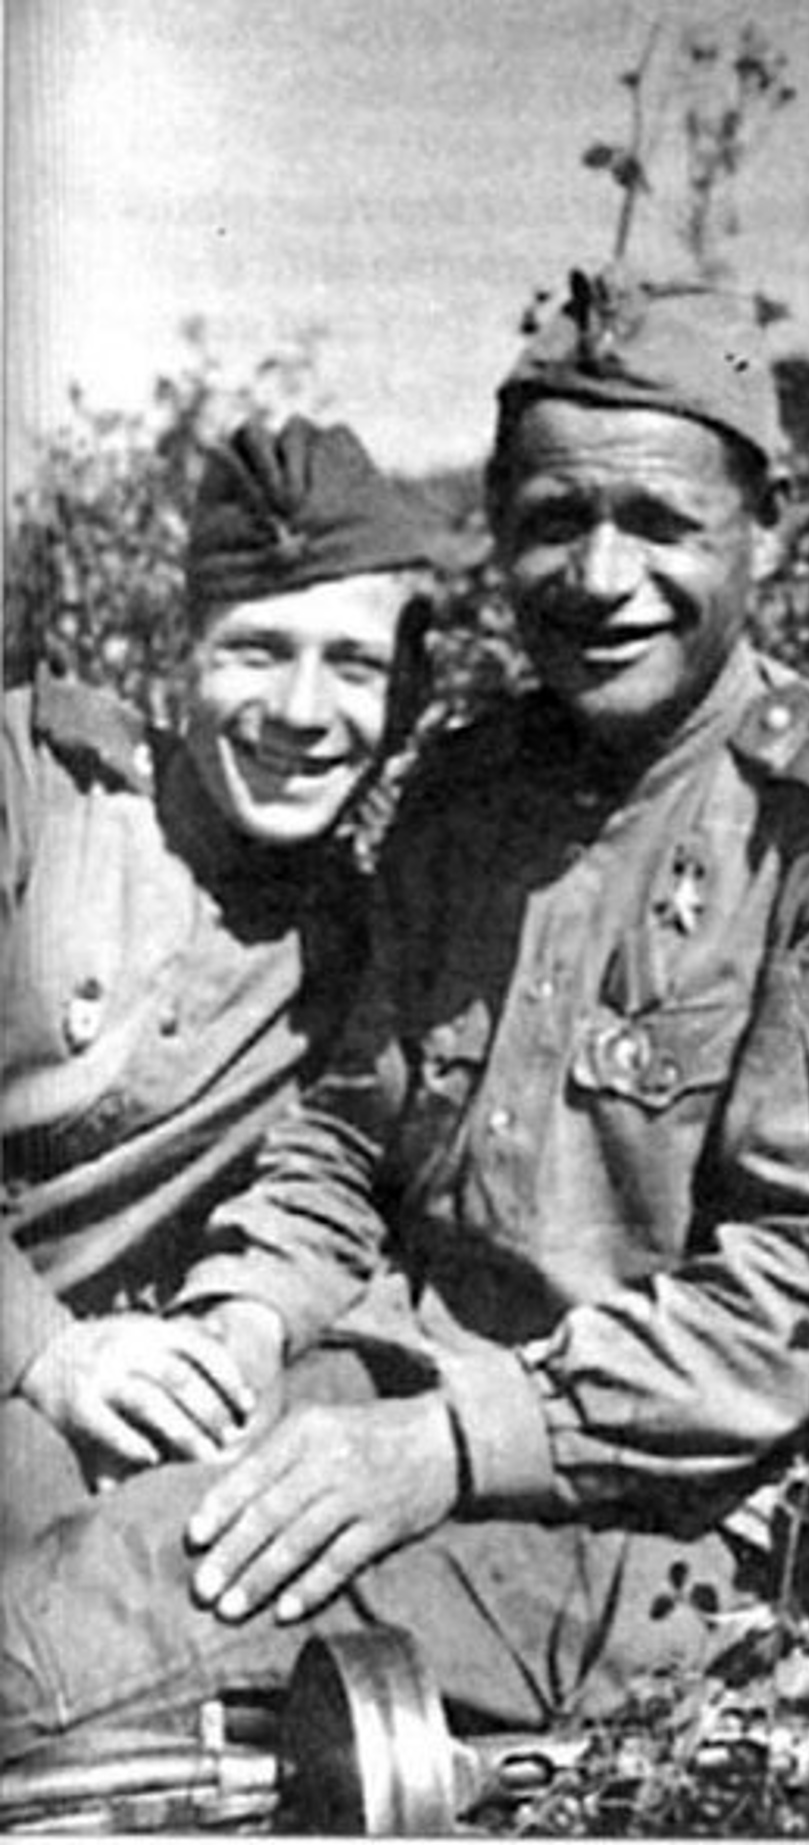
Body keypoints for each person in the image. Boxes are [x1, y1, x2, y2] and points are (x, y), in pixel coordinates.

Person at [0, 269, 809, 1759]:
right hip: (358, 1402)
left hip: (622, 1519)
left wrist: (444, 1444)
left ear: (768, 527)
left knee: (45, 1645)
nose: (599, 576)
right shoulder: (470, 795)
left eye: (659, 523)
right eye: (553, 519)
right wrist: (243, 1324)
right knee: (23, 1474)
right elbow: (345, 1144)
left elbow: (775, 1327)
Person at [0, 414, 435, 1539]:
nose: (301, 712)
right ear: (176, 651)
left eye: (353, 666)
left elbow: (334, 1188)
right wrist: (42, 1350)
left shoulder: (362, 943)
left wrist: (235, 1331)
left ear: (406, 701)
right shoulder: (32, 790)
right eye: (256, 650)